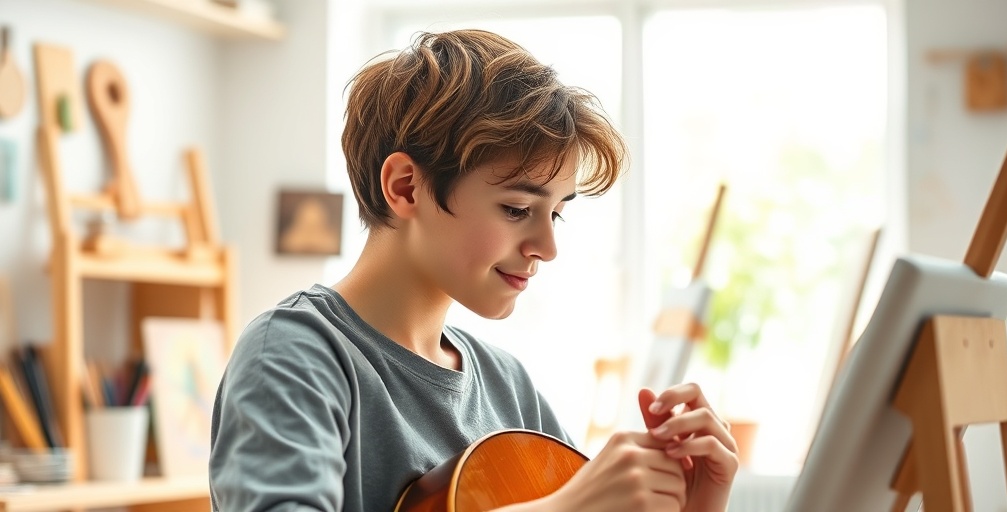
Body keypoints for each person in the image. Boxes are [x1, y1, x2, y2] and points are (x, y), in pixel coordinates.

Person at [209, 29, 738, 511]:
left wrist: (695, 506)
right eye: (516, 209)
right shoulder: (292, 353)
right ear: (406, 187)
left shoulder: (509, 385)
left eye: (555, 213)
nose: (548, 246)